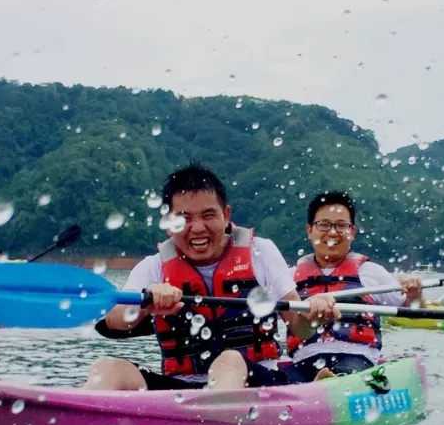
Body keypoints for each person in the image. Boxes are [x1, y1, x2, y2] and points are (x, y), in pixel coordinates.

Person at [85, 164, 338, 391]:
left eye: (208, 215)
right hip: (181, 389)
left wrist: (313, 317)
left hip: (257, 383)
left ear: (226, 215)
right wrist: (145, 305)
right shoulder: (153, 268)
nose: (197, 228)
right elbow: (116, 320)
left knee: (228, 361)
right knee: (107, 368)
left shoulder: (261, 252)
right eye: (184, 218)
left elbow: (299, 328)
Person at [285, 191, 422, 383]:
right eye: (324, 225)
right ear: (310, 230)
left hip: (356, 359)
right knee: (282, 378)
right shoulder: (289, 278)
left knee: (345, 373)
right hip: (303, 361)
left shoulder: (371, 272)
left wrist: (414, 293)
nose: (332, 232)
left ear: (352, 232)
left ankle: (327, 383)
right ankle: (317, 384)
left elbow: (408, 308)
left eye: (341, 226)